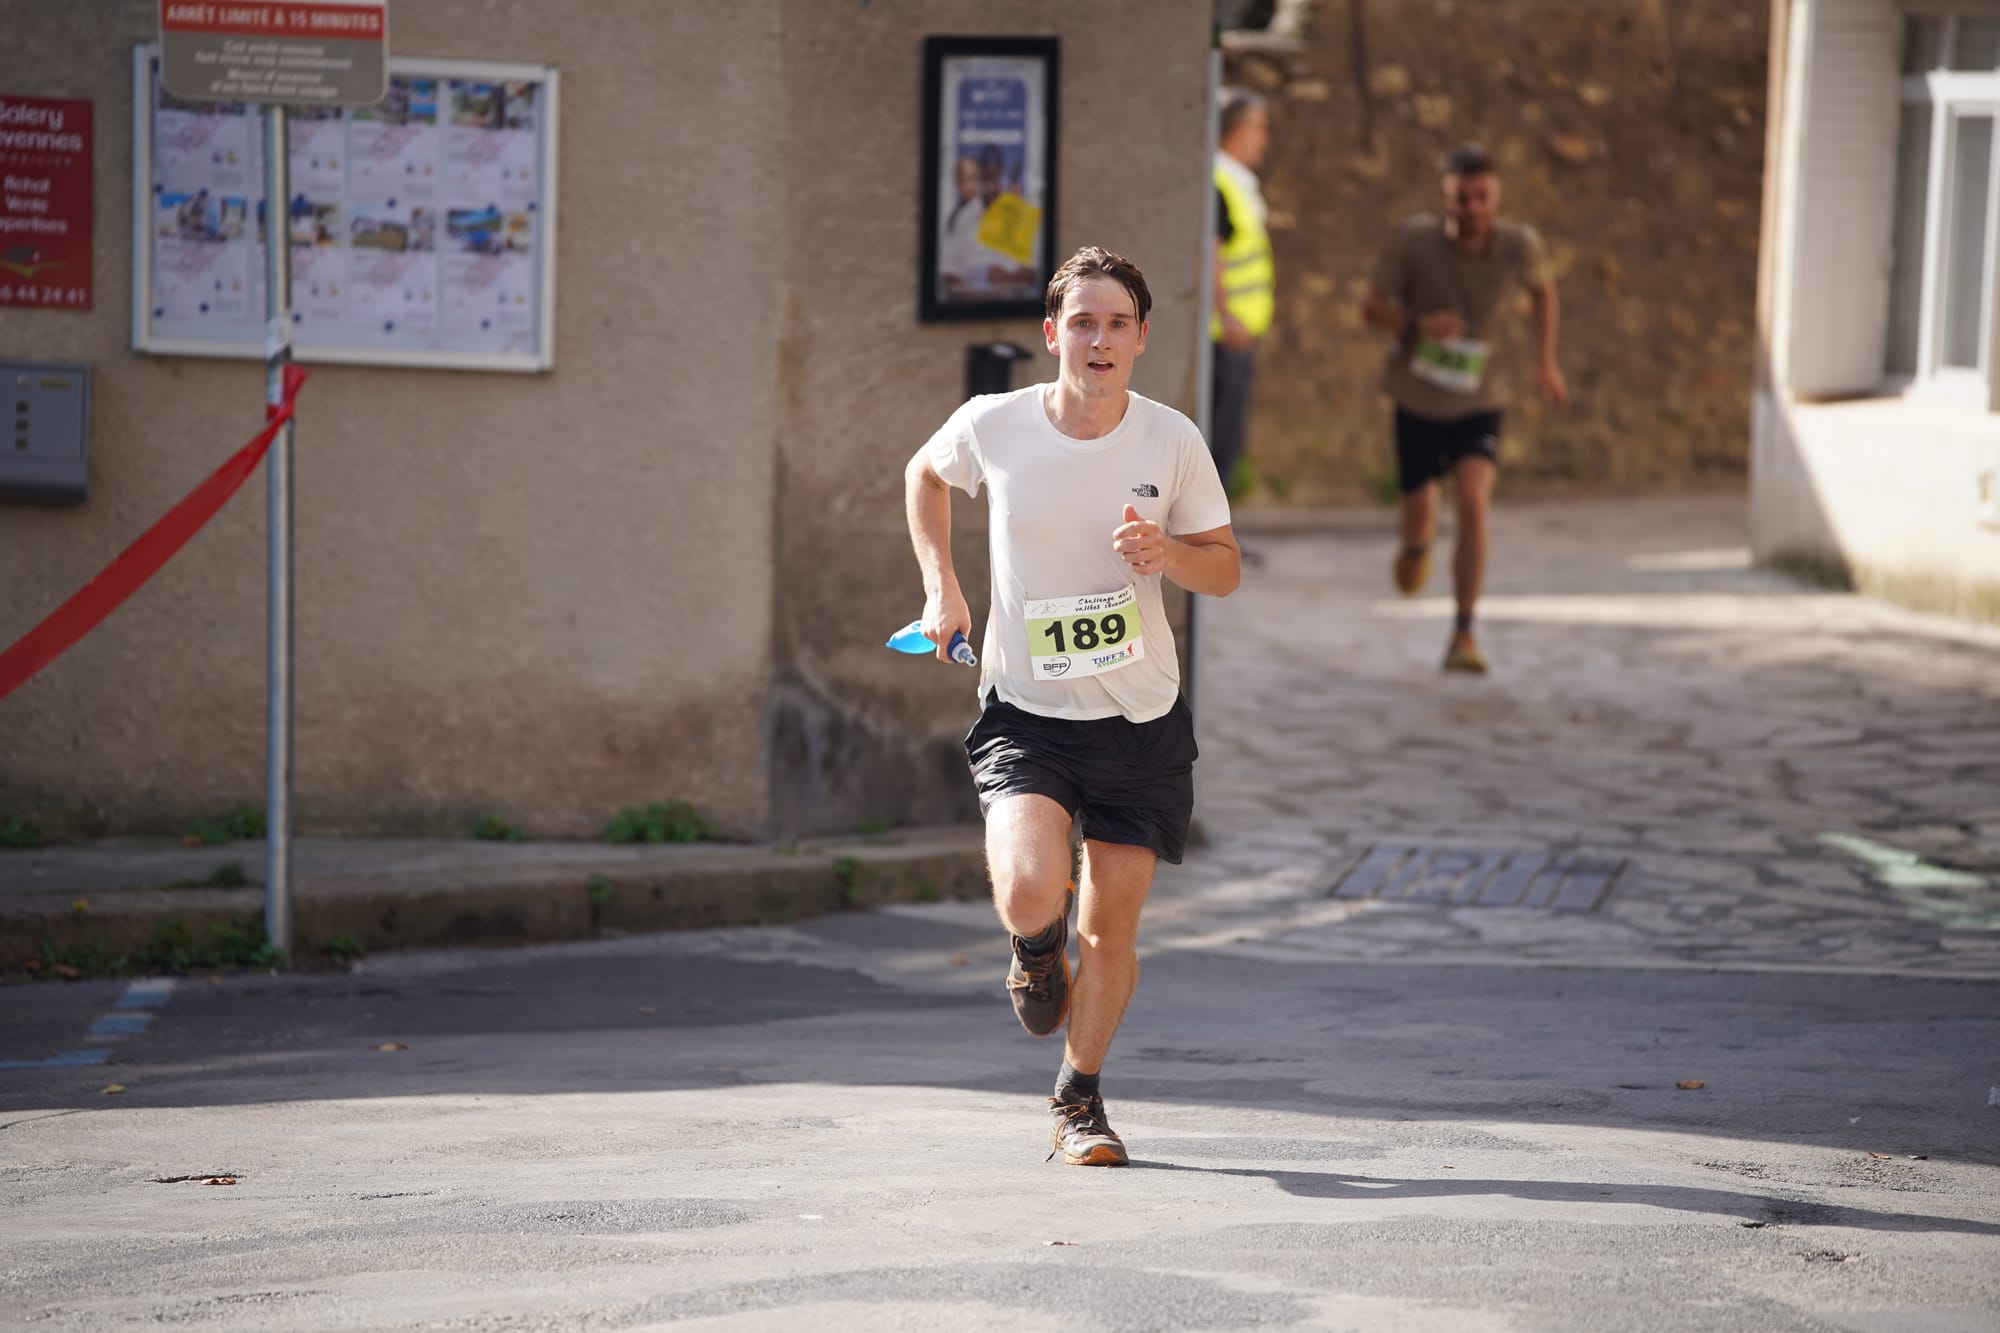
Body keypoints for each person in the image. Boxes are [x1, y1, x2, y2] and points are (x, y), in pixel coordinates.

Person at [904, 246, 1241, 1166]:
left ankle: (1078, 1099)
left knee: (1112, 926)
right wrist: (944, 590)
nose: (1098, 339)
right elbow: (924, 477)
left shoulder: (1170, 439)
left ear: (1139, 339)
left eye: (1116, 324)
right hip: (1026, 709)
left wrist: (1169, 555)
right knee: (1024, 888)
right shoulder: (996, 424)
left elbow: (1226, 566)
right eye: (1081, 323)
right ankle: (1033, 948)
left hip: (1140, 717)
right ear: (1054, 334)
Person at [1362, 142, 1568, 674]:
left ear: (1497, 196)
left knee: (1474, 500)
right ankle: (1414, 546)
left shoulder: (1520, 245)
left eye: (1482, 197)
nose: (1473, 207)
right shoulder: (1413, 241)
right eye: (1463, 197)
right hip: (1418, 395)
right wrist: (1416, 325)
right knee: (1419, 514)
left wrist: (1546, 362)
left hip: (1483, 398)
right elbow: (1371, 307)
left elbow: (1544, 292)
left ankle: (1464, 633)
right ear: (1444, 196)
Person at [1211, 88, 1275, 497]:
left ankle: (1217, 533)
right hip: (1225, 332)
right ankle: (1209, 539)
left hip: (1236, 328)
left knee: (1229, 438)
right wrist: (1228, 317)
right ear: (1237, 128)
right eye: (1259, 128)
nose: (1263, 140)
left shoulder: (1235, 179)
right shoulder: (1220, 180)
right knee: (1220, 439)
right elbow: (1213, 254)